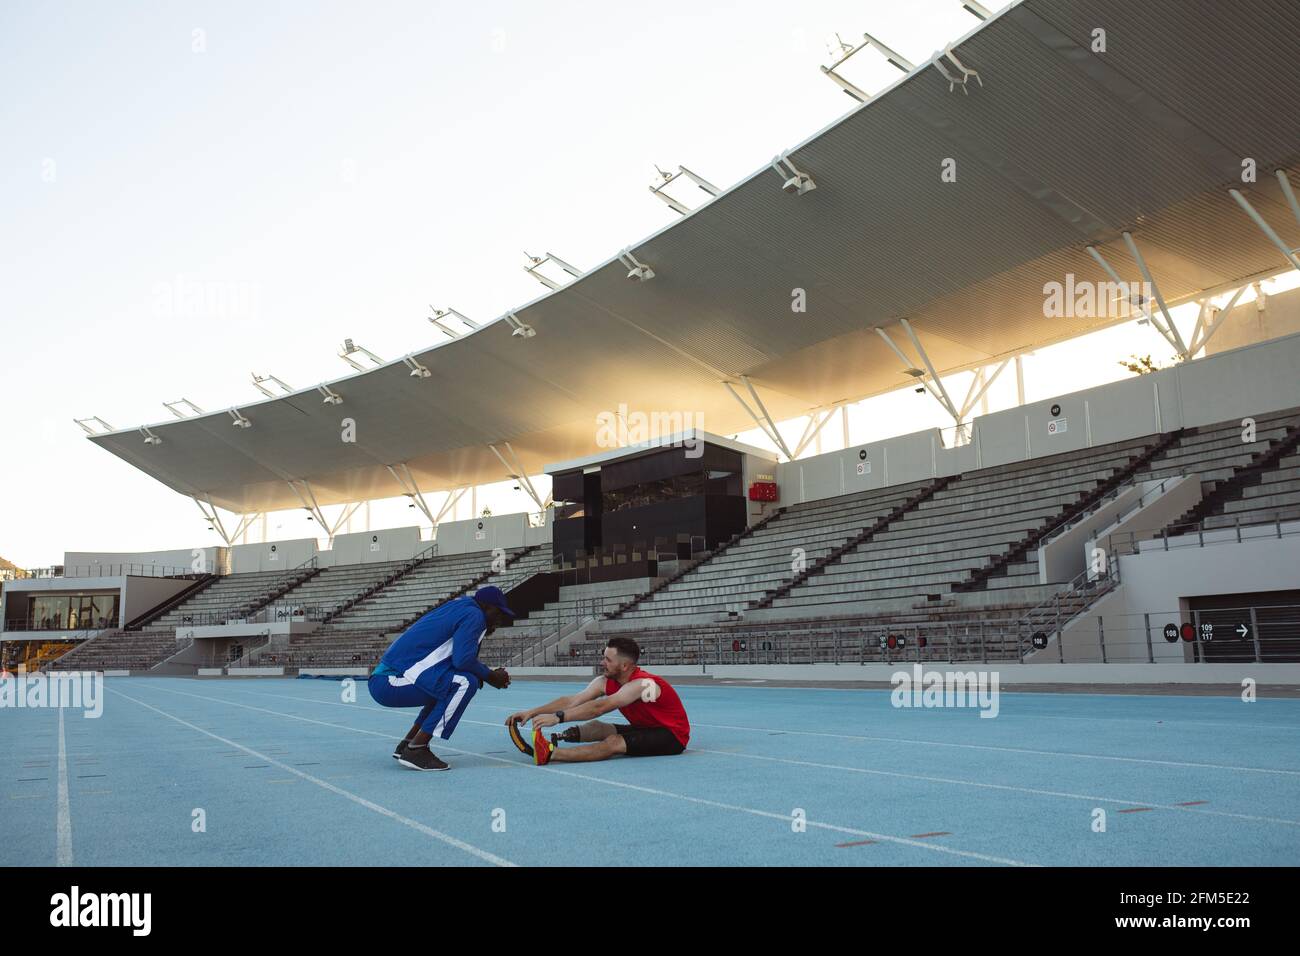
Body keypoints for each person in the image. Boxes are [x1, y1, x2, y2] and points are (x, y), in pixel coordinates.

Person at [369, 585, 513, 771]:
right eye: (499, 612)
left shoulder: (460, 607)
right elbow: (462, 660)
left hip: (387, 678)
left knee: (454, 682)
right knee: (464, 683)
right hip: (391, 681)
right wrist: (491, 676)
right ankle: (417, 750)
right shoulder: (474, 616)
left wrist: (484, 674)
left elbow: (459, 661)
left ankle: (408, 743)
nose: (500, 619)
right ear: (486, 607)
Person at [505, 636, 689, 764]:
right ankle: (562, 738)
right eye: (604, 657)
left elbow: (600, 706)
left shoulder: (642, 684)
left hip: (671, 736)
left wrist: (558, 718)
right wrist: (532, 712)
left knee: (614, 742)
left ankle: (552, 754)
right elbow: (573, 700)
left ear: (624, 666)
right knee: (598, 727)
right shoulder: (605, 681)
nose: (602, 663)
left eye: (608, 660)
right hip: (646, 727)